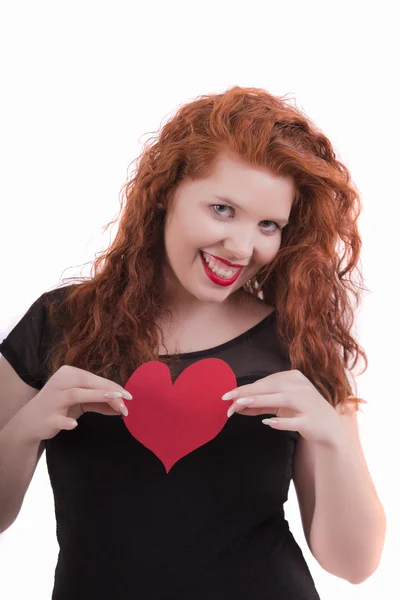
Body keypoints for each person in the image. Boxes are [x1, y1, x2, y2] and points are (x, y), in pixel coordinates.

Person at [0, 86, 386, 599]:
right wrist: (27, 427)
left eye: (268, 224)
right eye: (223, 209)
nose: (243, 247)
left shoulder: (299, 342)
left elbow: (354, 566)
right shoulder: (58, 322)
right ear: (165, 193)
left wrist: (333, 438)